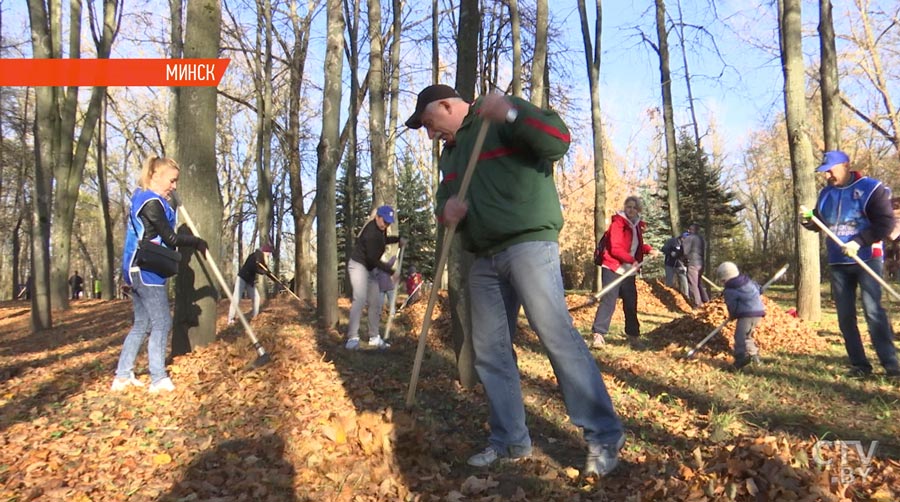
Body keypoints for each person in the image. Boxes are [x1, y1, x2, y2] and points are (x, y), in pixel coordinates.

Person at [406, 84, 624, 476]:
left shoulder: (498, 116)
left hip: (528, 244)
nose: (429, 133)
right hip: (483, 256)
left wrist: (509, 112)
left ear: (445, 105)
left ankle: (603, 436)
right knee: (489, 349)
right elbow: (444, 199)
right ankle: (509, 441)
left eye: (428, 122)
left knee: (554, 333)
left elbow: (557, 142)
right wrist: (447, 210)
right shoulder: (451, 155)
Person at [112, 156, 208, 393]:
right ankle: (158, 378)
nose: (174, 186)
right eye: (172, 180)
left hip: (138, 268)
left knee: (142, 323)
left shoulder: (147, 200)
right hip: (146, 270)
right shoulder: (150, 203)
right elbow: (171, 238)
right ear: (155, 176)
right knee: (162, 322)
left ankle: (122, 376)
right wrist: (197, 241)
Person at [802, 150, 899, 378]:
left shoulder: (871, 189)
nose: (827, 176)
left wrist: (859, 241)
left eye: (831, 170)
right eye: (825, 172)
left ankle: (892, 365)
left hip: (867, 257)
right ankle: (859, 365)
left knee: (873, 311)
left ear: (845, 166)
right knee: (845, 316)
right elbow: (821, 222)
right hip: (838, 261)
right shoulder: (826, 193)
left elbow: (884, 223)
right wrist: (809, 221)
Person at [590, 196, 654, 348]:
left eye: (634, 208)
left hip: (628, 272)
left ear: (638, 210)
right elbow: (615, 248)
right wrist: (632, 261)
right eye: (628, 207)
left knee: (631, 303)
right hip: (613, 267)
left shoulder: (637, 225)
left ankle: (633, 337)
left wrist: (648, 249)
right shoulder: (618, 224)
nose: (630, 210)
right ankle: (598, 335)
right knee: (609, 301)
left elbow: (636, 246)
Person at [345, 205, 405, 350]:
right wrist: (392, 272)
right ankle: (352, 338)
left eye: (388, 222)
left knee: (376, 302)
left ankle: (374, 337)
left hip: (370, 269)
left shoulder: (381, 229)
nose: (386, 224)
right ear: (377, 217)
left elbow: (383, 241)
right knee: (360, 299)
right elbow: (373, 259)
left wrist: (397, 239)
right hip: (359, 266)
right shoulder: (371, 232)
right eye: (384, 221)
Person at [716, 261, 765, 370]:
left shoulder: (729, 290)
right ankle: (755, 356)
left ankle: (740, 357)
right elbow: (758, 288)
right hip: (758, 312)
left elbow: (732, 305)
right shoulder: (747, 281)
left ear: (724, 279)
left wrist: (733, 315)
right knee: (747, 336)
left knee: (739, 337)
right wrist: (760, 290)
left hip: (746, 315)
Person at [227, 244, 274, 325]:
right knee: (236, 298)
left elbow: (265, 270)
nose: (268, 254)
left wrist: (272, 277)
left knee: (256, 298)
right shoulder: (253, 257)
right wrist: (264, 271)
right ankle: (230, 319)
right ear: (264, 251)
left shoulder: (262, 259)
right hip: (242, 278)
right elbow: (255, 268)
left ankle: (255, 316)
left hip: (250, 281)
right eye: (268, 252)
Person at [682, 223, 709, 308]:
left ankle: (698, 304)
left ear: (690, 230)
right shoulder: (702, 239)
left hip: (693, 263)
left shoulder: (689, 238)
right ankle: (706, 301)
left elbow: (685, 251)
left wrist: (683, 259)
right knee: (699, 283)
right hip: (701, 263)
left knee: (693, 284)